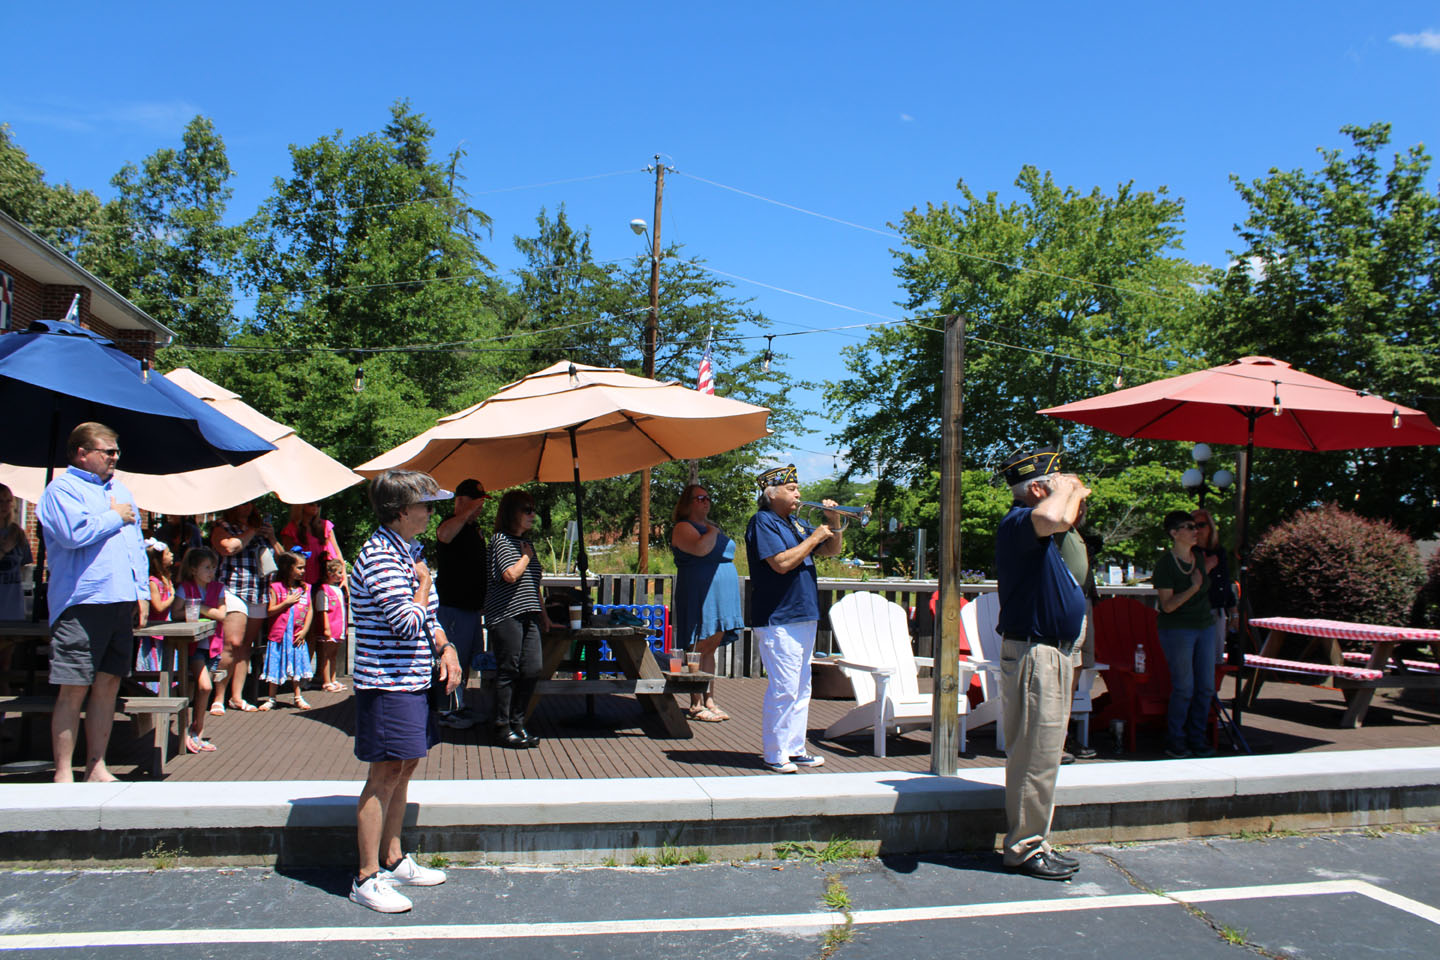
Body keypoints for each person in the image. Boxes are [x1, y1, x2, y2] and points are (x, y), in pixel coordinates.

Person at [349, 469, 460, 913]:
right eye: (425, 504)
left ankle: (392, 859)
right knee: (384, 774)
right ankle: (365, 876)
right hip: (386, 682)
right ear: (400, 512)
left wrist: (447, 647)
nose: (432, 511)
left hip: (412, 680)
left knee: (406, 767)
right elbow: (405, 621)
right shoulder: (379, 557)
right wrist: (426, 584)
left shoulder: (409, 551)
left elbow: (428, 619)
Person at [993, 445, 1089, 880]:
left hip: (1051, 651)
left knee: (1043, 756)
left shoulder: (1038, 531)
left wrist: (1069, 492)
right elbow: (1056, 516)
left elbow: (1067, 520)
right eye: (1059, 485)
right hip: (1037, 654)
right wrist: (1065, 489)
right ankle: (1025, 848)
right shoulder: (1019, 523)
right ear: (1036, 488)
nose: (1073, 493)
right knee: (1035, 757)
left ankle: (1034, 840)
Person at [36, 422, 148, 783]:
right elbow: (72, 535)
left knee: (109, 685)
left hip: (120, 600)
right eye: (107, 451)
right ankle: (64, 771)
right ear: (81, 453)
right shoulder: (61, 490)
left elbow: (136, 547)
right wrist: (115, 515)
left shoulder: (122, 490)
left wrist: (140, 592)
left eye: (117, 451)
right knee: (74, 688)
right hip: (83, 602)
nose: (115, 457)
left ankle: (96, 766)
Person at [744, 464, 843, 773]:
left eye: (798, 488)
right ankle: (774, 753)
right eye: (791, 489)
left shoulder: (795, 522)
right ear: (770, 494)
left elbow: (832, 551)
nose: (799, 494)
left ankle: (795, 748)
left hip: (803, 614)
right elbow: (781, 563)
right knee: (784, 687)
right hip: (779, 617)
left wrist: (834, 522)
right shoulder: (763, 521)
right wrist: (814, 538)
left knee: (802, 688)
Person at [670, 483, 744, 722]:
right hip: (700, 592)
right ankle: (696, 703)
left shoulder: (708, 527)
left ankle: (710, 699)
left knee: (711, 648)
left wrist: (712, 529)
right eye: (700, 498)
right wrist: (713, 531)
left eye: (708, 498)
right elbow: (700, 549)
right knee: (698, 646)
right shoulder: (683, 527)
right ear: (687, 503)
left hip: (721, 593)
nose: (706, 501)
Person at [485, 490, 552, 749]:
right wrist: (525, 557)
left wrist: (543, 615)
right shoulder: (500, 541)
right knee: (508, 669)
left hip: (529, 613)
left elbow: (534, 584)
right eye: (526, 509)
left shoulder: (528, 546)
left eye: (533, 509)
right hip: (506, 614)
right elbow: (510, 575)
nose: (532, 514)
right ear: (511, 512)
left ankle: (518, 722)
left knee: (532, 668)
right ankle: (502, 726)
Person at [1154, 511, 1217, 759]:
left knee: (1206, 687)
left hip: (1205, 626)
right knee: (1184, 687)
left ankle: (1197, 738)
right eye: (1189, 527)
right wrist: (1194, 587)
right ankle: (1176, 740)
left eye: (1196, 526)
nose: (1195, 531)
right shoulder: (1166, 565)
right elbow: (1167, 605)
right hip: (1178, 629)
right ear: (1174, 533)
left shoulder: (1198, 558)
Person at [209, 501, 280, 715]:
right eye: (242, 504)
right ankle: (218, 697)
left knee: (245, 647)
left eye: (250, 504)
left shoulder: (261, 529)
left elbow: (281, 557)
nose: (246, 508)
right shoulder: (222, 527)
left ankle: (237, 697)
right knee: (232, 643)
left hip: (258, 590)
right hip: (233, 588)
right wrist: (252, 530)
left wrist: (271, 538)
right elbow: (228, 548)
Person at [435, 478, 488, 730]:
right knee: (451, 656)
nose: (479, 509)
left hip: (471, 607)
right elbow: (444, 535)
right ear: (461, 502)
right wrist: (465, 512)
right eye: (476, 503)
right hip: (452, 606)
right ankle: (446, 709)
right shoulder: (450, 524)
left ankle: (458, 703)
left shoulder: (474, 530)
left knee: (466, 659)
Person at [175, 546, 225, 753]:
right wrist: (191, 609)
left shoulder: (218, 588)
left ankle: (198, 731)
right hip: (193, 646)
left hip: (212, 645)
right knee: (204, 687)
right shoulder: (184, 589)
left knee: (201, 690)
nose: (211, 571)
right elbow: (176, 613)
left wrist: (200, 608)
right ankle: (189, 730)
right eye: (206, 567)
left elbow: (222, 614)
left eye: (213, 567)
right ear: (194, 569)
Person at [258, 549, 314, 711]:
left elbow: (309, 610)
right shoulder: (275, 587)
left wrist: (304, 630)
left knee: (296, 666)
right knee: (275, 664)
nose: (303, 571)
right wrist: (286, 602)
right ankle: (271, 697)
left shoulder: (306, 588)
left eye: (304, 568)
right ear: (288, 568)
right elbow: (270, 610)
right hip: (279, 635)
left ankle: (298, 695)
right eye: (299, 568)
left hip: (296, 634)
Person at [1192, 508, 1238, 665]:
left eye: (1201, 525)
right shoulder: (1189, 553)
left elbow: (1225, 583)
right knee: (1200, 662)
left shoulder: (1219, 551)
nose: (1197, 529)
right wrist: (1207, 567)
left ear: (1210, 527)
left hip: (1218, 611)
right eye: (1192, 526)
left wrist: (1234, 614)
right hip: (1197, 614)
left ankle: (1211, 689)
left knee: (1216, 662)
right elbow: (1187, 583)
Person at [134, 541, 176, 692]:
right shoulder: (153, 582)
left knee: (168, 663)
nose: (172, 555)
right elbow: (158, 607)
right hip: (154, 633)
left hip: (165, 631)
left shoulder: (166, 578)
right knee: (153, 665)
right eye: (168, 553)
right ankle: (152, 694)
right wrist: (173, 597)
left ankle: (165, 693)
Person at [0, 483, 34, 620]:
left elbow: (22, 567)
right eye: (0, 501)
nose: (5, 505)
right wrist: (4, 549)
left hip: (12, 604)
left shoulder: (16, 532)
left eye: (8, 501)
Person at [314, 558, 348, 693]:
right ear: (331, 574)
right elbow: (323, 610)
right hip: (330, 627)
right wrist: (326, 628)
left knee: (333, 654)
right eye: (339, 573)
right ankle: (326, 681)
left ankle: (333, 679)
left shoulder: (338, 590)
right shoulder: (324, 590)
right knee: (326, 655)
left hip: (339, 626)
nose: (341, 576)